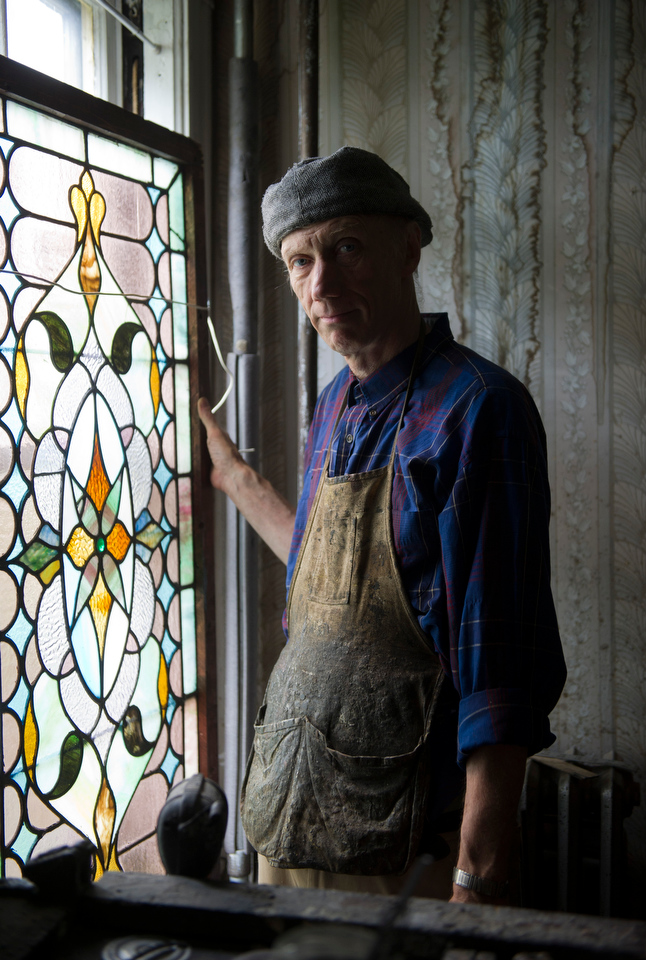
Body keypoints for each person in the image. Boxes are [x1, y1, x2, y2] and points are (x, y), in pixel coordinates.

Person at [198, 147, 566, 903]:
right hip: (290, 813)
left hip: (404, 846)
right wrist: (237, 482)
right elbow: (326, 591)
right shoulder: (335, 405)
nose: (321, 284)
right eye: (300, 262)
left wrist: (478, 872)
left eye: (347, 248)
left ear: (408, 247)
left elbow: (499, 668)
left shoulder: (479, 411)